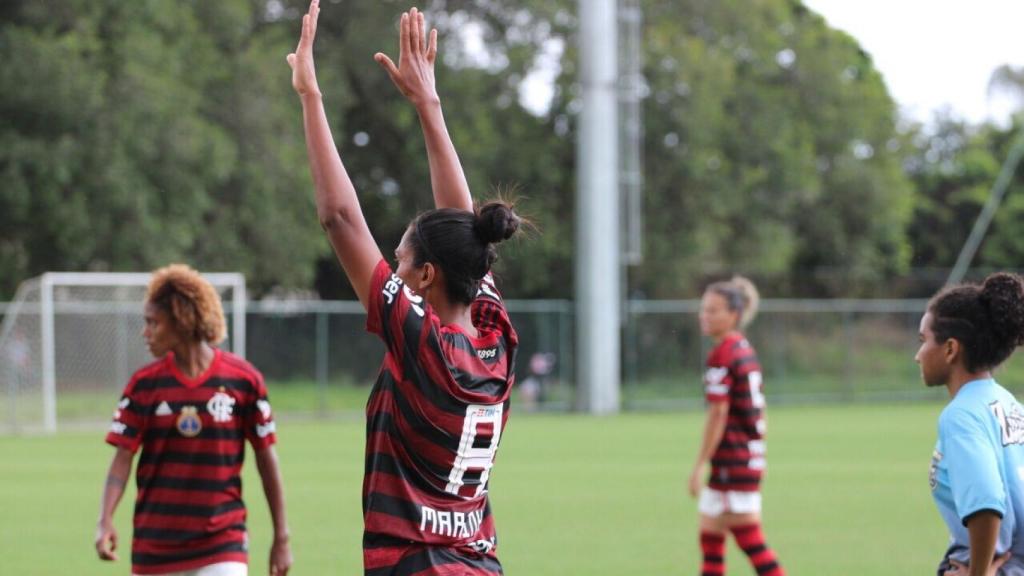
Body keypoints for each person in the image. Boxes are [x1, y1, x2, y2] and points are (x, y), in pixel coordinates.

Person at [286, 2, 522, 574]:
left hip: (418, 564)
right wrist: (428, 106)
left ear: (426, 276)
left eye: (400, 261)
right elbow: (461, 221)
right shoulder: (495, 339)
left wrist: (310, 98)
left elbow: (340, 218)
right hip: (480, 564)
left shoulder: (427, 343)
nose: (391, 271)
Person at [95, 264, 292, 576]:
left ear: (181, 320)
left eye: (153, 323)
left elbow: (267, 460)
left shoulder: (244, 381)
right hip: (155, 548)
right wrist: (104, 519)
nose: (145, 333)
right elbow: (122, 459)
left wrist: (281, 536)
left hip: (222, 542)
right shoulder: (143, 385)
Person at [917, 272, 1024, 576]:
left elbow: (986, 502)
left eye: (923, 341)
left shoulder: (961, 416)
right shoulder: (1011, 406)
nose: (917, 355)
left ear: (950, 349)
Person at [689, 276, 784, 576]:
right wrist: (760, 454)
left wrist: (699, 464)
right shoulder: (742, 348)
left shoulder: (724, 354)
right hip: (742, 458)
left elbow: (718, 413)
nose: (705, 316)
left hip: (732, 459)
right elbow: (760, 409)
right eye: (704, 309)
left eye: (713, 310)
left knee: (749, 539)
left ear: (734, 315)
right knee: (710, 535)